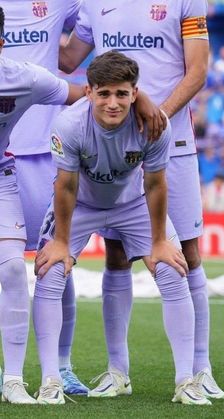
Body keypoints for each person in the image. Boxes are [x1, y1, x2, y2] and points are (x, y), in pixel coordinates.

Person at [59, 0, 224, 401]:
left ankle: (199, 369)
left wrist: (157, 119)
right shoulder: (94, 4)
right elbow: (67, 60)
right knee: (116, 253)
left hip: (173, 141)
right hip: (111, 142)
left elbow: (198, 71)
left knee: (185, 251)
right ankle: (118, 371)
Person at [2, 0, 166, 396]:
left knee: (50, 261)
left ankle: (57, 367)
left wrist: (135, 97)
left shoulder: (25, 74)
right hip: (21, 157)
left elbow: (83, 88)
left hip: (43, 154)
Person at [0, 6, 86, 403]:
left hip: (9, 174)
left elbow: (83, 96)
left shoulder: (21, 77)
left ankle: (15, 379)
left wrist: (140, 104)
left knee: (19, 268)